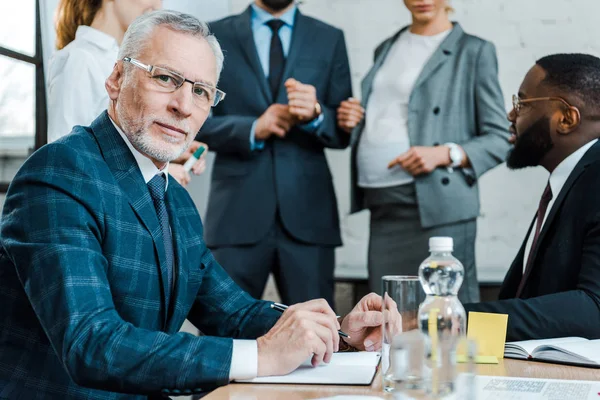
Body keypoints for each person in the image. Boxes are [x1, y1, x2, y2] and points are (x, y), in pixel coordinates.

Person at [0, 10, 390, 399]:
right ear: (117, 79)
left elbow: (232, 313)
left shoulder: (176, 201)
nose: (184, 106)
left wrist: (334, 332)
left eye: (201, 91)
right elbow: (91, 343)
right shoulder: (58, 174)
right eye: (166, 78)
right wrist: (263, 355)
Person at [337, 0, 510, 302]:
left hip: (436, 208)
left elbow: (499, 138)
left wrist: (444, 154)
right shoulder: (386, 47)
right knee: (387, 314)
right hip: (382, 204)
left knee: (447, 309)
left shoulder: (474, 51)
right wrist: (354, 117)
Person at [196, 0, 352, 307]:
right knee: (223, 334)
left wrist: (317, 115)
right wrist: (253, 127)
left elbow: (343, 130)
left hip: (308, 217)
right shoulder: (213, 35)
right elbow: (193, 119)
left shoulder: (329, 37)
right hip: (236, 217)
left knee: (319, 339)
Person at [464, 54, 600, 341]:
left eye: (522, 104)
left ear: (566, 118)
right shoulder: (572, 179)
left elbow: (594, 309)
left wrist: (441, 321)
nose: (511, 116)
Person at [47, 0, 205, 186]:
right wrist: (155, 174)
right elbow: (66, 160)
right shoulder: (81, 58)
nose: (158, 6)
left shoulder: (123, 59)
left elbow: (116, 145)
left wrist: (166, 151)